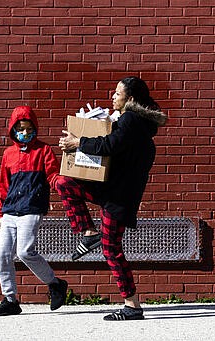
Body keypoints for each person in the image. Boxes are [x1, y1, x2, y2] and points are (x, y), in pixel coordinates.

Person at [57, 76, 167, 321]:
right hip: (109, 190)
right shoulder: (132, 122)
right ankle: (88, 232)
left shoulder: (131, 120)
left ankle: (132, 306)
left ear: (131, 99)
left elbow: (110, 145)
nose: (112, 97)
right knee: (64, 182)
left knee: (111, 249)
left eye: (118, 93)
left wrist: (78, 142)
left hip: (118, 197)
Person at [0, 106, 68, 317]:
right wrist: (0, 214)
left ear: (35, 128)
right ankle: (10, 300)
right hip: (9, 211)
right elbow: (3, 186)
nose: (25, 133)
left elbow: (52, 175)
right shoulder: (8, 154)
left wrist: (63, 184)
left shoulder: (43, 150)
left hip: (31, 209)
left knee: (25, 252)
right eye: (21, 129)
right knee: (3, 255)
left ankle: (55, 284)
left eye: (29, 128)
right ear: (13, 129)